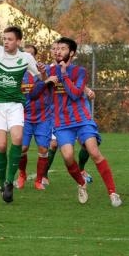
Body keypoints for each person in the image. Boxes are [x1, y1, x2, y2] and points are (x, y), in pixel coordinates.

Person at [42, 37, 121, 207]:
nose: (58, 51)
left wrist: (63, 75)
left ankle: (113, 192)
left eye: (63, 48)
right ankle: (81, 183)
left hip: (82, 120)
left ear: (71, 53)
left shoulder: (80, 71)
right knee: (68, 157)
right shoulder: (49, 71)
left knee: (94, 151)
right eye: (56, 48)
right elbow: (34, 73)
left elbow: (76, 94)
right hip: (62, 123)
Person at [0, 26, 42, 203]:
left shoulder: (26, 58)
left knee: (18, 139)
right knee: (2, 146)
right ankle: (1, 183)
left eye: (9, 39)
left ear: (18, 41)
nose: (5, 42)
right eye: (4, 38)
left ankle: (10, 182)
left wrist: (45, 72)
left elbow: (41, 76)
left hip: (15, 104)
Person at [43, 41, 95, 185]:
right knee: (53, 144)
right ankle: (44, 175)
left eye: (59, 48)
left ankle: (82, 170)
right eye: (53, 49)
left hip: (75, 114)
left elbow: (74, 83)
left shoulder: (71, 68)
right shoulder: (48, 69)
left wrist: (87, 90)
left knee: (86, 145)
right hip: (57, 115)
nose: (56, 51)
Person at [17, 44, 51, 190]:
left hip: (43, 118)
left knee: (43, 149)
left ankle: (38, 180)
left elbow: (50, 82)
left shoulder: (43, 72)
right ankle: (22, 174)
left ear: (35, 57)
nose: (28, 57)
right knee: (22, 148)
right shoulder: (18, 74)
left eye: (31, 55)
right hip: (24, 117)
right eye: (25, 54)